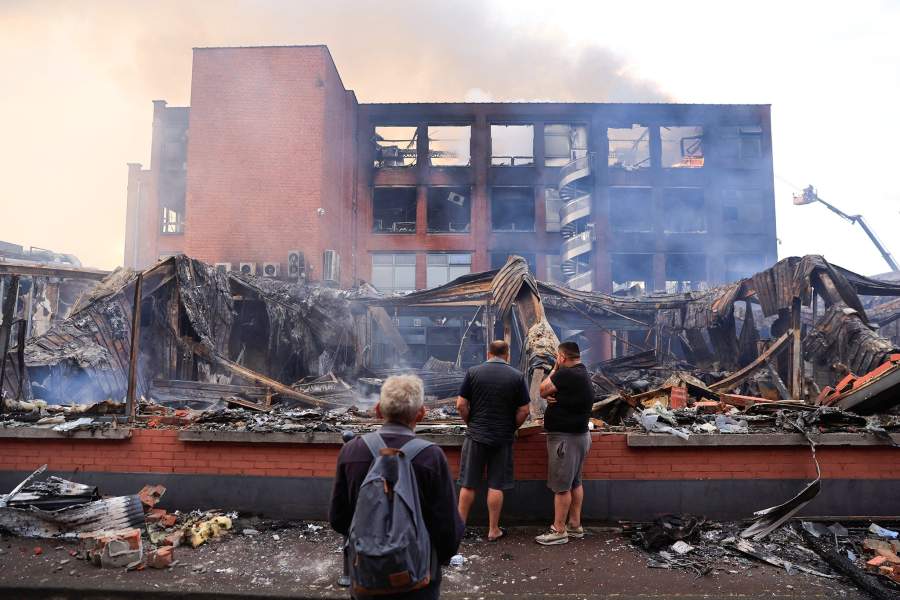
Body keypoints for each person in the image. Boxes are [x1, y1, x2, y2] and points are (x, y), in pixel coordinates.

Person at [330, 375, 464, 599]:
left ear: (378, 410)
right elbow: (447, 526)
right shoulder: (431, 456)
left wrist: (371, 549)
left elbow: (338, 518)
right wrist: (431, 559)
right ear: (421, 413)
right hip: (419, 580)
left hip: (366, 577)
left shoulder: (352, 451)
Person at [456, 340, 531, 541]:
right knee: (496, 485)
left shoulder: (473, 372)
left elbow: (461, 404)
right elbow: (525, 410)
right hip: (502, 437)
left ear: (488, 353)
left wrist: (471, 423)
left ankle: (459, 528)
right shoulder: (517, 376)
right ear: (507, 354)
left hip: (476, 436)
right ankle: (493, 530)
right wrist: (512, 427)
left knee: (468, 484)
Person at [535, 341, 594, 546]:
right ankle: (575, 525)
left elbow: (542, 390)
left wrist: (554, 369)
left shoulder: (566, 373)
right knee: (575, 482)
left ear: (562, 357)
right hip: (580, 436)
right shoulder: (582, 372)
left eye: (557, 357)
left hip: (565, 439)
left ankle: (558, 530)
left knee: (562, 487)